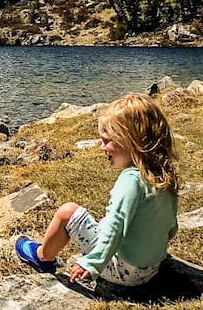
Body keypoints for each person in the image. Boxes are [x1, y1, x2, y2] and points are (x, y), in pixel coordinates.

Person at [14, 93, 180, 287]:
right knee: (103, 223)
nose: (102, 147)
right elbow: (171, 225)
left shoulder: (130, 181)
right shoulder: (162, 174)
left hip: (123, 271)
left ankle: (42, 257)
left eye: (107, 140)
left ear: (132, 142)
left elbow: (115, 226)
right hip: (151, 267)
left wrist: (92, 263)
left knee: (67, 212)